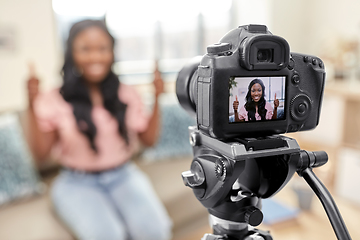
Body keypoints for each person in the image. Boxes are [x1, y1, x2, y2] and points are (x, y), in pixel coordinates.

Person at [26, 20, 172, 240]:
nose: (95, 57)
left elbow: (149, 141)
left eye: (102, 48)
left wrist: (157, 97)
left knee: (155, 232)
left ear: (112, 52)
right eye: (85, 49)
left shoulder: (126, 94)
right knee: (109, 235)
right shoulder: (55, 98)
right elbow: (40, 155)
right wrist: (31, 104)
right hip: (76, 183)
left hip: (123, 175)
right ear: (71, 53)